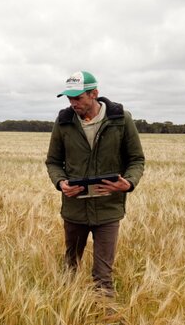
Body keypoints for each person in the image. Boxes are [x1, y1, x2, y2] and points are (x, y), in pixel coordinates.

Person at [45, 71, 145, 297]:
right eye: (69, 98)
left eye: (78, 98)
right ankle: (66, 317)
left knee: (103, 277)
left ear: (94, 94)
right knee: (70, 268)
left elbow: (137, 159)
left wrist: (128, 183)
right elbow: (53, 162)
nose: (73, 103)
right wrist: (60, 183)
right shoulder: (63, 122)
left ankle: (106, 323)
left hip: (108, 209)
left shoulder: (121, 120)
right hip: (74, 209)